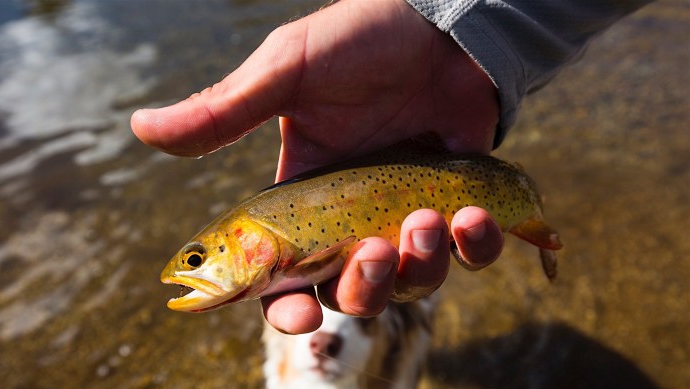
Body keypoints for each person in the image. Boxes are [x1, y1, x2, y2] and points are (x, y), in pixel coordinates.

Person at [131, 0, 651, 334]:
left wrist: (451, 29)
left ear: (244, 240)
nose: (188, 270)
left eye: (197, 259)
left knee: (462, 227)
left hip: (463, 175)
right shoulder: (274, 244)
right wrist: (469, 32)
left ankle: (531, 222)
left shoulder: (280, 246)